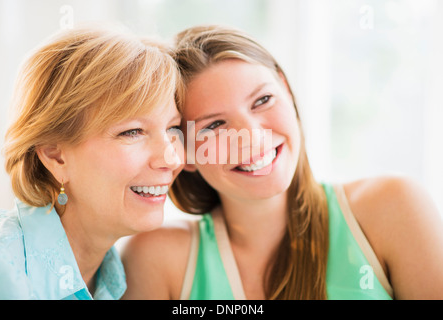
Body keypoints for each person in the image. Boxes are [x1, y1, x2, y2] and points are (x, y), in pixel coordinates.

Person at [121, 25, 443, 300]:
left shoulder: (392, 209)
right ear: (184, 151)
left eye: (262, 100)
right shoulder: (157, 259)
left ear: (287, 91)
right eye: (214, 125)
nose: (252, 137)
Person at [0, 25, 184, 299]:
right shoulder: (0, 270)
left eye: (173, 129)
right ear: (55, 155)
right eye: (133, 132)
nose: (172, 159)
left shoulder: (113, 281)